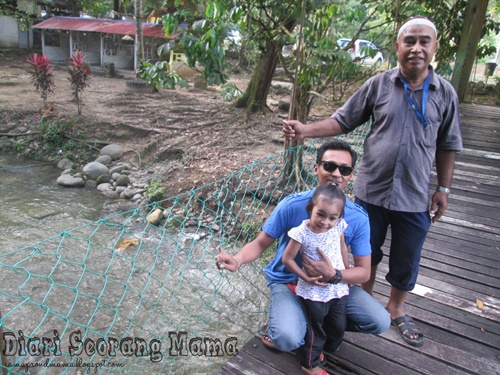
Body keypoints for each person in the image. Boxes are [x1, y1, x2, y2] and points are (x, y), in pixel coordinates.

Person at [282, 16, 463, 347]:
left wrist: (444, 189)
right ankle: (363, 302)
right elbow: (343, 120)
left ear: (434, 47)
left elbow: (449, 145)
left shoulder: (445, 93)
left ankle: (396, 307)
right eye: (409, 41)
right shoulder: (379, 85)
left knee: (407, 257)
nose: (417, 48)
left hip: (415, 194)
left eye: (424, 41)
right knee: (367, 253)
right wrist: (306, 130)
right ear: (397, 47)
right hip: (370, 193)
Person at [215, 140, 391, 357]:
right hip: (289, 283)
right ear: (316, 168)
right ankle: (299, 326)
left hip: (332, 285)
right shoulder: (292, 205)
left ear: (350, 175)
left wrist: (335, 275)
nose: (336, 173)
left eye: (344, 169)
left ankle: (313, 327)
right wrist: (238, 259)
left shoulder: (357, 218)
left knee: (380, 321)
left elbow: (364, 272)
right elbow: (261, 243)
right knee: (287, 338)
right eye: (329, 166)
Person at [282, 184, 349, 375]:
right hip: (314, 291)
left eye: (332, 217)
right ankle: (309, 363)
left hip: (337, 287)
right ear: (310, 209)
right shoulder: (301, 232)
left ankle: (324, 349)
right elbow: (287, 259)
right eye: (320, 214)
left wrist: (345, 272)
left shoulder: (338, 228)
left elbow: (343, 247)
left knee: (338, 325)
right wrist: (305, 279)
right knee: (315, 328)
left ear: (339, 217)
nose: (325, 222)